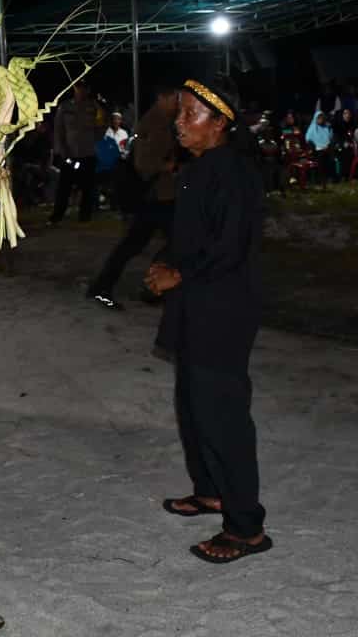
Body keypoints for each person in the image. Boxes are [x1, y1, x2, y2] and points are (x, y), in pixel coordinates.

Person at [144, 76, 270, 564]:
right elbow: (190, 236)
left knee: (223, 417)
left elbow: (230, 248)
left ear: (220, 123)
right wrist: (163, 264)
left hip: (223, 310)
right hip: (196, 305)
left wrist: (179, 274)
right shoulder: (198, 168)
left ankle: (246, 528)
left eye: (191, 114)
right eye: (179, 112)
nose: (180, 121)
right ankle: (210, 491)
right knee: (193, 406)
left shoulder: (234, 173)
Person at [86, 85, 178, 309]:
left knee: (138, 245)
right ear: (162, 97)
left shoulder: (165, 121)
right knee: (172, 243)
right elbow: (143, 163)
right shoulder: (153, 123)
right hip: (155, 196)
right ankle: (149, 288)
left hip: (161, 196)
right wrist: (166, 167)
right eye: (175, 98)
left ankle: (108, 287)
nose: (178, 103)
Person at [49, 79, 102, 223]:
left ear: (88, 89)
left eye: (84, 87)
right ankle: (57, 215)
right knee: (64, 187)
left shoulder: (94, 107)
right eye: (78, 87)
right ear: (74, 88)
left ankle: (85, 216)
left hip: (87, 153)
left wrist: (95, 140)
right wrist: (62, 151)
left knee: (87, 187)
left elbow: (101, 126)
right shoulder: (65, 107)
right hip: (69, 154)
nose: (81, 90)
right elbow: (58, 131)